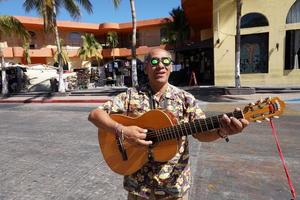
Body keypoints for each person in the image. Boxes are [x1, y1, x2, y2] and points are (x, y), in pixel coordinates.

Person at [88, 48, 249, 200]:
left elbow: (201, 133)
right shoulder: (130, 96)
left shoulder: (185, 99)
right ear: (145, 68)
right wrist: (122, 130)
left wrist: (222, 131)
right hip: (139, 190)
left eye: (165, 61)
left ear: (171, 68)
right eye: (154, 62)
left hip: (174, 189)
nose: (160, 66)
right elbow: (95, 115)